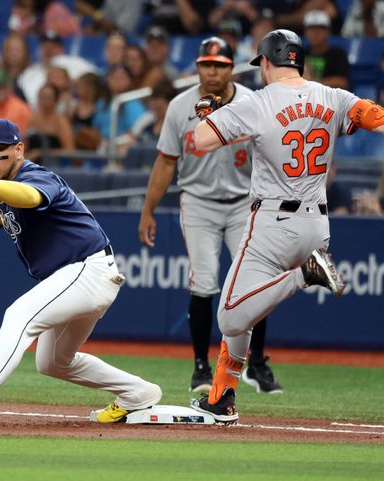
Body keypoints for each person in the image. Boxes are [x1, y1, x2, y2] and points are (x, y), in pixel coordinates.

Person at [189, 29, 384, 423]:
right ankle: (223, 396)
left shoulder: (258, 102)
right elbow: (381, 120)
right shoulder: (333, 96)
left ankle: (305, 276)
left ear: (266, 61)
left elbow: (200, 141)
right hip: (317, 223)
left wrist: (209, 116)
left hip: (271, 224)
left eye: (260, 63)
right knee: (245, 307)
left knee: (229, 315)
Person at [0, 118, 163, 425]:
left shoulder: (36, 176)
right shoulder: (5, 190)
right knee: (54, 363)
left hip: (86, 269)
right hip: (81, 277)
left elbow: (31, 197)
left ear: (19, 149)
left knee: (19, 315)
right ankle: (139, 393)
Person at [138, 37, 283, 395]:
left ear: (232, 67)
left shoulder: (253, 102)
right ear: (198, 67)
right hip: (198, 201)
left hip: (243, 202)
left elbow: (271, 154)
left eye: (219, 64)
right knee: (204, 282)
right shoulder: (179, 106)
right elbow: (166, 161)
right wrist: (148, 210)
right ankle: (201, 366)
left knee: (253, 283)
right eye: (206, 64)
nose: (212, 70)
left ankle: (257, 363)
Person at [24, 84, 75, 162]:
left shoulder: (61, 121)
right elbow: (25, 145)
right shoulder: (33, 118)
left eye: (48, 98)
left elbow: (69, 150)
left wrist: (42, 153)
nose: (44, 101)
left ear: (56, 100)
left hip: (54, 166)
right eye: (41, 97)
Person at [302, 10, 350, 89]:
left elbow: (342, 82)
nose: (315, 33)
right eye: (311, 28)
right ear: (305, 32)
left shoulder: (338, 54)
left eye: (320, 28)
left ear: (328, 31)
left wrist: (312, 81)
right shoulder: (300, 53)